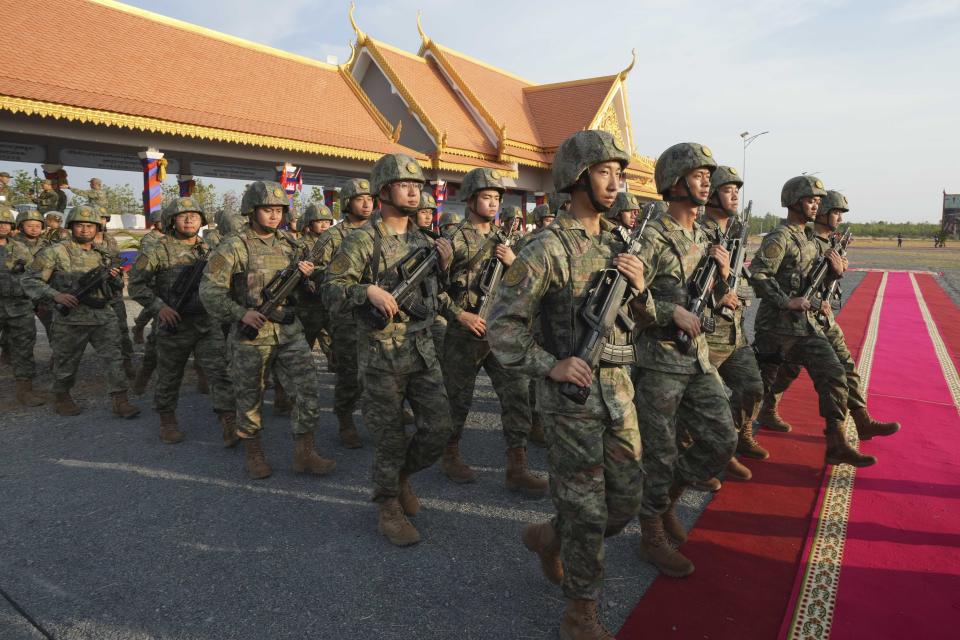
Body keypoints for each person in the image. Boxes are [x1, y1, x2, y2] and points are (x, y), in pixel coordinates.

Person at [487, 129, 645, 639]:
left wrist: (641, 292)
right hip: (570, 401)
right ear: (577, 179)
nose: (615, 181)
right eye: (605, 171)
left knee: (624, 502)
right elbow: (503, 327)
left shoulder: (618, 244)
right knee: (585, 508)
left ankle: (548, 537)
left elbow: (644, 319)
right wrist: (547, 364)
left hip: (619, 395)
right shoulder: (546, 248)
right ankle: (580, 608)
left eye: (619, 173)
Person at [323, 153, 454, 547]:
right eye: (404, 184)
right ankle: (387, 506)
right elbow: (329, 289)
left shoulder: (424, 240)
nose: (414, 191)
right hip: (381, 353)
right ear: (384, 191)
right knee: (389, 436)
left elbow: (435, 294)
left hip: (421, 347)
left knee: (439, 428)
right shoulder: (363, 239)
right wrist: (367, 290)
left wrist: (444, 266)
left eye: (418, 185)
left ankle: (400, 478)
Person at [631, 142, 738, 578]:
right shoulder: (652, 237)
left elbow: (711, 299)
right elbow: (624, 299)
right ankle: (651, 531)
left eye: (707, 176)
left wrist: (725, 279)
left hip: (696, 359)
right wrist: (665, 311)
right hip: (658, 362)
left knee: (722, 439)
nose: (706, 181)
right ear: (675, 183)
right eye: (697, 174)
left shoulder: (707, 237)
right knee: (658, 454)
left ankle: (667, 500)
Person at [199, 181, 336, 480]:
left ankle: (304, 452)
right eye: (267, 210)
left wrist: (311, 278)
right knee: (249, 397)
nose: (274, 216)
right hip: (252, 336)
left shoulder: (291, 244)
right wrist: (240, 313)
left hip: (289, 330)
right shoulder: (234, 246)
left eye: (278, 210)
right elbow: (210, 291)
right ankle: (254, 453)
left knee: (307, 391)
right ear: (251, 210)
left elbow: (310, 289)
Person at [750, 176, 875, 467]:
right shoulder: (780, 237)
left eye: (819, 200)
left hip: (804, 326)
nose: (816, 204)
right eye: (810, 199)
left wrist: (833, 272)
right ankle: (739, 434)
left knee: (834, 374)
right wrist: (785, 300)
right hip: (775, 327)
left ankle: (836, 442)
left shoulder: (809, 238)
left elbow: (811, 280)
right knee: (758, 387)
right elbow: (758, 274)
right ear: (793, 202)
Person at [438, 168, 545, 495]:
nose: (493, 203)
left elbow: (529, 282)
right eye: (486, 197)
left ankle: (517, 465)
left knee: (517, 397)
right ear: (470, 199)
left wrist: (515, 263)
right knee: (458, 400)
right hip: (465, 333)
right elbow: (432, 290)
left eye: (497, 198)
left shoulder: (505, 241)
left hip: (501, 331)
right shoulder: (455, 238)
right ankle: (449, 453)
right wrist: (460, 316)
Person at [128, 197, 237, 445]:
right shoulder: (158, 249)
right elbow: (136, 285)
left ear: (202, 221)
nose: (189, 219)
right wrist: (159, 307)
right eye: (183, 215)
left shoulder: (210, 249)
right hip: (174, 325)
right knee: (169, 375)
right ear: (171, 220)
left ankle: (228, 420)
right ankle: (167, 419)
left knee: (219, 373)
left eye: (195, 215)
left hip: (207, 324)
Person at [21, 205, 140, 418]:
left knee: (114, 358)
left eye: (89, 226)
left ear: (97, 228)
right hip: (71, 319)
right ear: (71, 227)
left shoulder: (103, 254)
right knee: (66, 362)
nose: (85, 230)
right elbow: (30, 280)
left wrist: (113, 278)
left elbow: (115, 287)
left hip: (103, 315)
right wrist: (54, 295)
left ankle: (120, 400)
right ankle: (62, 396)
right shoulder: (55, 252)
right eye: (80, 225)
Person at [698, 165, 766, 486]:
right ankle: (695, 462)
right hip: (707, 333)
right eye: (728, 189)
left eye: (737, 189)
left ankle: (739, 436)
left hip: (734, 332)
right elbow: (689, 283)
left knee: (753, 387)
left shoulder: (735, 231)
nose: (735, 194)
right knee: (696, 402)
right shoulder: (698, 232)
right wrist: (722, 288)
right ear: (711, 195)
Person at [314, 178, 376, 448]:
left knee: (383, 368)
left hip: (379, 314)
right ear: (347, 203)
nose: (366, 203)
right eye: (360, 198)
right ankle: (345, 419)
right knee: (350, 372)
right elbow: (315, 272)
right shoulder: (333, 236)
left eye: (370, 199)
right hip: (347, 315)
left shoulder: (382, 232)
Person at [0, 205, 44, 406]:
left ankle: (24, 391)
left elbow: (33, 274)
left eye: (6, 223)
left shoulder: (19, 248)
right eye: (0, 223)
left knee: (24, 347)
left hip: (19, 305)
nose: (2, 227)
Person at [94, 206, 136, 378]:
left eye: (103, 218)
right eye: (98, 218)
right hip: (90, 296)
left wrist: (117, 276)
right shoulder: (76, 242)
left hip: (113, 293)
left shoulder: (110, 240)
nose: (100, 221)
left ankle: (127, 363)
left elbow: (117, 262)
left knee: (122, 331)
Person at [296, 203, 335, 362]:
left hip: (330, 303)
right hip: (308, 306)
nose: (324, 225)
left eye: (327, 221)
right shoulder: (302, 244)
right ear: (310, 223)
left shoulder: (335, 241)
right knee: (303, 352)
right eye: (320, 221)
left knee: (337, 351)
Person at [131, 209, 166, 345]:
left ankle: (138, 327)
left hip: (163, 276)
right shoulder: (149, 239)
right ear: (155, 223)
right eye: (160, 221)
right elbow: (147, 258)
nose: (163, 223)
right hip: (151, 275)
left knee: (156, 305)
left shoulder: (168, 236)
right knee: (154, 305)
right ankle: (141, 329)